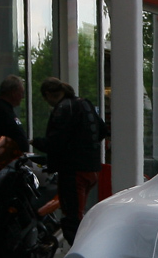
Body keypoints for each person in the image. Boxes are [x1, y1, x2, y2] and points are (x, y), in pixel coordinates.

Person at [30, 77, 106, 245]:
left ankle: (79, 253)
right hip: (92, 168)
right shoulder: (84, 103)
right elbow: (102, 130)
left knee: (72, 217)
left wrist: (35, 142)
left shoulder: (63, 109)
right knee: (79, 213)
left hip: (73, 170)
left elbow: (56, 142)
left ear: (49, 94)